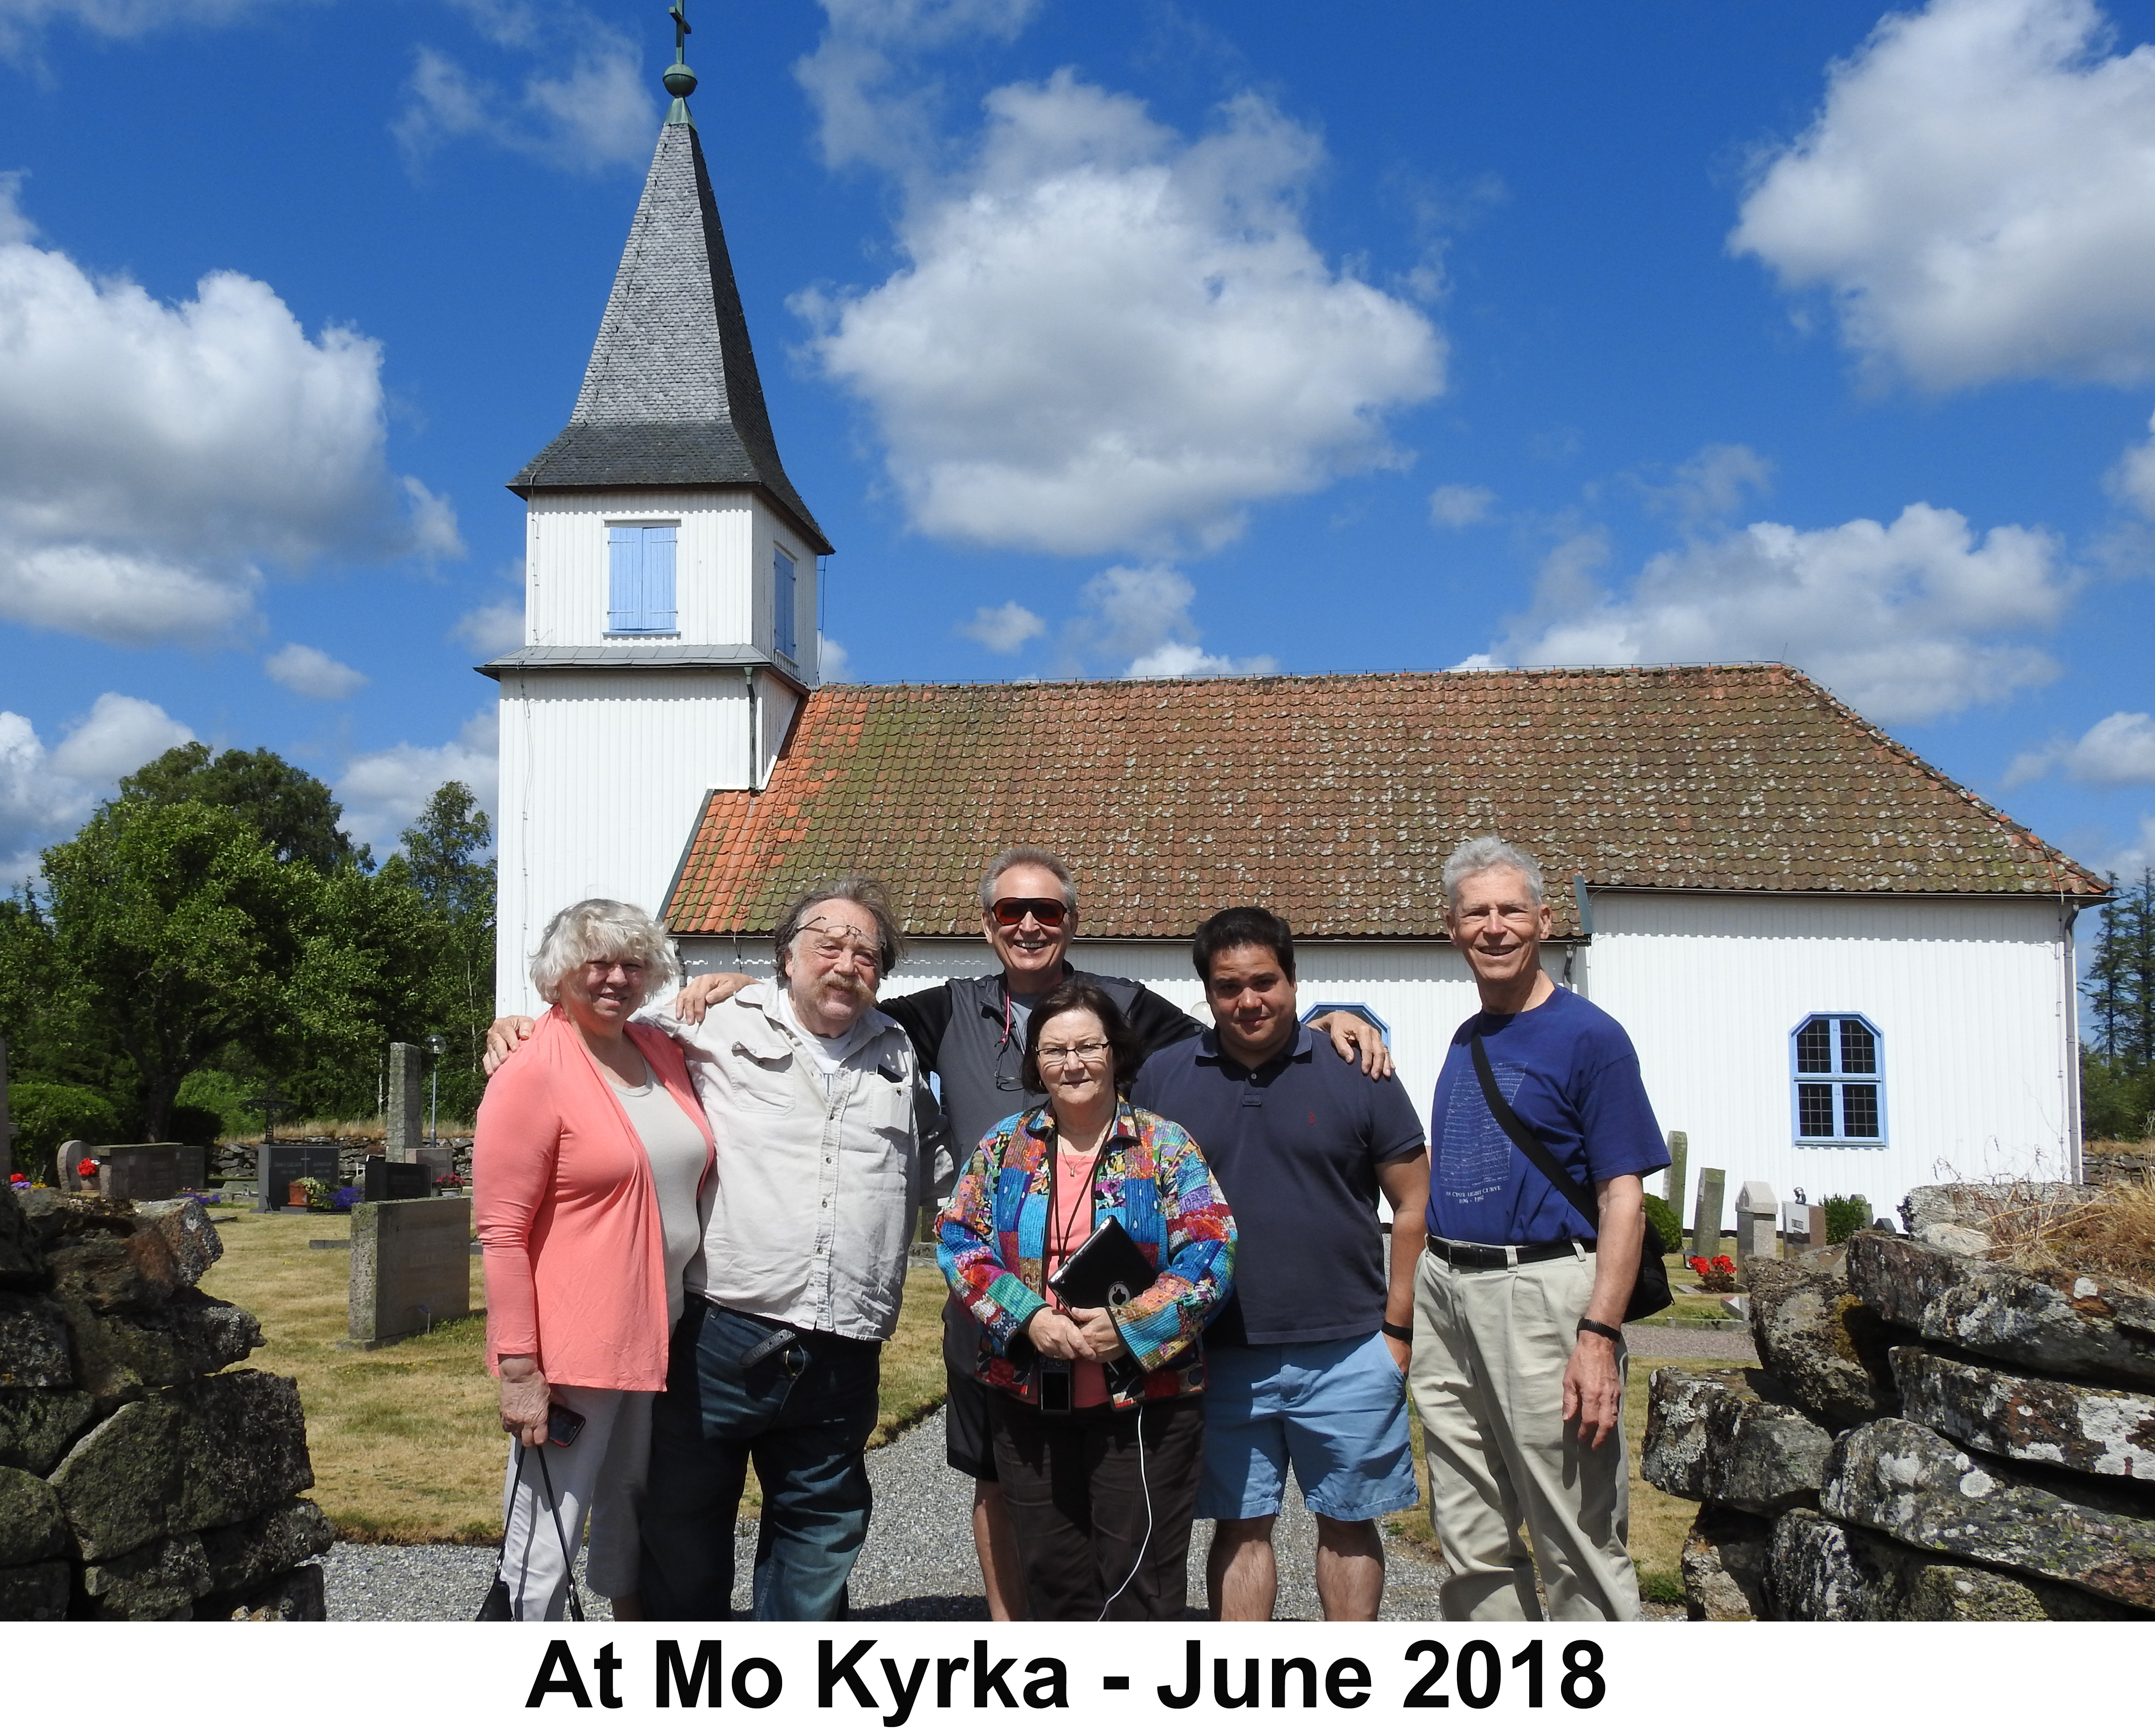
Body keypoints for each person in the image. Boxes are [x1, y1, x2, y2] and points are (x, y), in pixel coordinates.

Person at [655, 844, 1389, 1621]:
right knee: (1006, 1490)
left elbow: (1235, 1031)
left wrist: (1335, 1017)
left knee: (1133, 1546)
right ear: (988, 925)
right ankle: (1016, 1642)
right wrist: (744, 990)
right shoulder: (950, 1018)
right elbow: (837, 1009)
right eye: (1012, 911)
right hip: (1004, 1336)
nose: (1030, 925)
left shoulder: (1129, 1022)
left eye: (1047, 912)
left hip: (1130, 1362)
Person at [634, 876, 948, 1621]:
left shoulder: (898, 1056)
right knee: (683, 1538)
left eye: (867, 953)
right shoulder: (710, 1022)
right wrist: (525, 1031)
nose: (846, 963)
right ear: (785, 955)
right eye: (828, 944)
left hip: (844, 1348)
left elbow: (941, 1168)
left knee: (819, 1546)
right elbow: (601, 1039)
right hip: (721, 1332)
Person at [1130, 907, 1429, 1622]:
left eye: (1264, 981)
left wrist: (1397, 1333)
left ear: (1294, 980)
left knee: (1350, 1524)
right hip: (1220, 1352)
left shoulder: (1359, 1069)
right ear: (1205, 991)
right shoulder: (1163, 1080)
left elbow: (1415, 1206)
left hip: (1350, 1346)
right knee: (1239, 1527)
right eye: (1228, 987)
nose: (1249, 1001)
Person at [1410, 836, 1668, 1621]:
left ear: (1544, 921)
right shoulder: (1467, 1038)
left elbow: (1621, 1197)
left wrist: (1597, 1334)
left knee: (1574, 1529)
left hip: (1545, 1292)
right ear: (1451, 929)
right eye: (1476, 913)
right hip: (1446, 1289)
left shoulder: (1590, 1037)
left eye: (1510, 910)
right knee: (1467, 1528)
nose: (1494, 927)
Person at [937, 977, 1235, 1620]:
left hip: (1144, 1405)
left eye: (1087, 1046)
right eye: (1053, 1051)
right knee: (1053, 1579)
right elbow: (959, 1242)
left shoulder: (1163, 1146)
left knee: (1142, 1586)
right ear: (1035, 1062)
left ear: (1115, 1053)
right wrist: (1029, 1318)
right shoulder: (1002, 1147)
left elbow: (1211, 1250)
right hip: (1027, 1400)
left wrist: (1130, 1325)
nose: (1071, 1064)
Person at [474, 898, 715, 1621]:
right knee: (546, 1528)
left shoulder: (657, 1050)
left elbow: (739, 1005)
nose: (615, 978)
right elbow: (502, 1232)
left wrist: (730, 980)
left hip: (656, 1329)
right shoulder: (530, 1070)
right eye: (597, 963)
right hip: (574, 1347)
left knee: (627, 1509)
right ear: (557, 977)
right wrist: (518, 1368)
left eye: (631, 964)